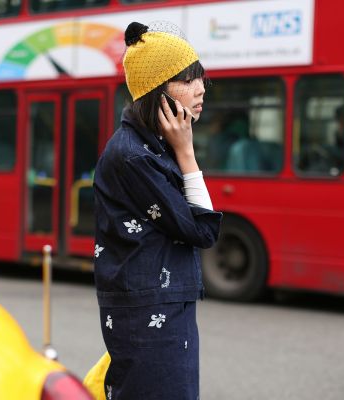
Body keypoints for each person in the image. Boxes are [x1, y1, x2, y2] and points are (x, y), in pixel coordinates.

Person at [91, 21, 222, 400]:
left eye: (200, 78)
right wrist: (187, 153)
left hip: (160, 304)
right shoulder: (134, 156)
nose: (200, 88)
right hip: (148, 312)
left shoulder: (150, 147)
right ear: (156, 91)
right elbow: (203, 230)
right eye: (187, 79)